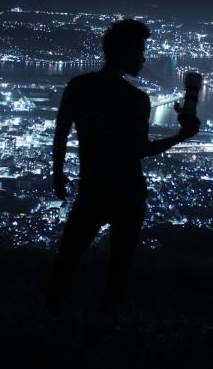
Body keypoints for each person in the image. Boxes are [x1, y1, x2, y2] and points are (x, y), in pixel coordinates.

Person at [45, 18, 200, 315]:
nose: (143, 59)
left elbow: (61, 131)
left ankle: (50, 315)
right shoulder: (136, 99)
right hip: (127, 192)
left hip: (92, 188)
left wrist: (58, 172)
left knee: (68, 257)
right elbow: (141, 150)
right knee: (119, 264)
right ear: (126, 53)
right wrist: (180, 136)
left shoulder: (78, 86)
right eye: (140, 52)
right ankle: (106, 322)